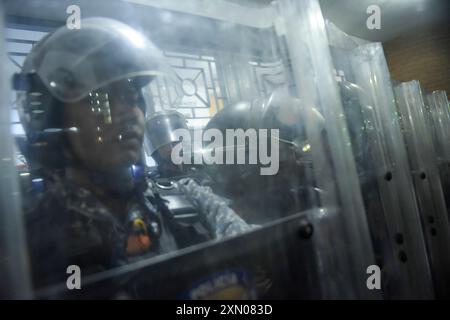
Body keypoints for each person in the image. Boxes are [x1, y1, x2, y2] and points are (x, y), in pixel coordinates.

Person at [14, 17, 253, 293]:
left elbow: (260, 253)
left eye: (131, 96)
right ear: (49, 117)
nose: (128, 111)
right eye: (100, 98)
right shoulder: (21, 237)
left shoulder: (186, 197)